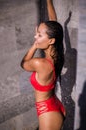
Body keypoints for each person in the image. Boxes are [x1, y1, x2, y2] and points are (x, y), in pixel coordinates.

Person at [21, 0, 66, 129]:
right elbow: (54, 22)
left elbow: (23, 63)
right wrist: (49, 1)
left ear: (51, 40)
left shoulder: (39, 63)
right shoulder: (58, 54)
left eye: (39, 35)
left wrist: (34, 46)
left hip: (48, 112)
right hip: (55, 105)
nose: (35, 36)